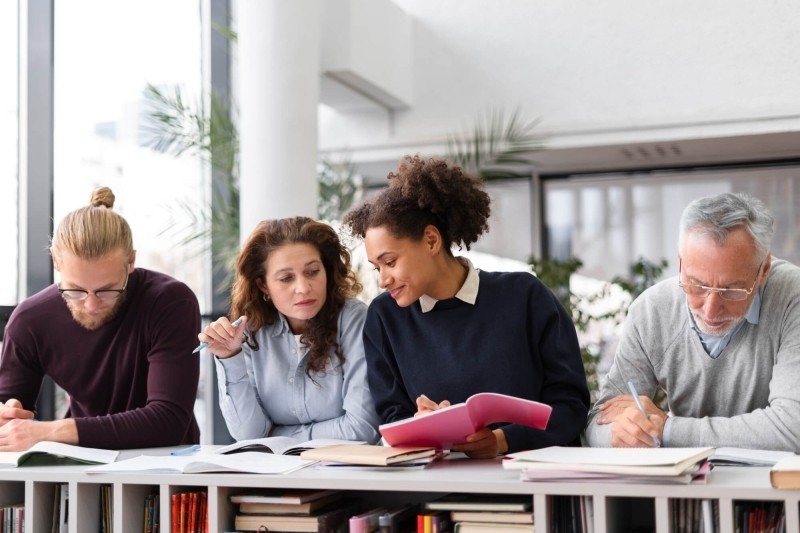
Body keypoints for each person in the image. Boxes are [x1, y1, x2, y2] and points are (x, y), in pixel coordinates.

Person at [342, 155, 590, 459]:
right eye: (376, 267)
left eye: (390, 262)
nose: (383, 280)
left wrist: (502, 439)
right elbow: (391, 419)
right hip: (438, 487)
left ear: (432, 241)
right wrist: (420, 426)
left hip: (532, 480)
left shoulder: (525, 297)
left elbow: (571, 406)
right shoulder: (384, 318)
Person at [586, 192, 800, 451]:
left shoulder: (792, 297)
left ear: (763, 270)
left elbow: (792, 428)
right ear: (680, 263)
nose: (710, 310)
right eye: (697, 285)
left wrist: (667, 429)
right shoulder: (651, 310)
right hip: (684, 483)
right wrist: (621, 433)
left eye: (731, 290)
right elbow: (599, 423)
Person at [0, 187, 201, 450]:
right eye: (75, 290)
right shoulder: (30, 320)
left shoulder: (170, 302)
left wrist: (48, 431)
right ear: (56, 263)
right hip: (81, 467)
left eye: (107, 290)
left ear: (131, 262)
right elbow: (9, 420)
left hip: (167, 470)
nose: (91, 304)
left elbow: (167, 421)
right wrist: (8, 416)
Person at [198, 217, 380, 443]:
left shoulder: (354, 318)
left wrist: (278, 436)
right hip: (276, 475)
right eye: (286, 278)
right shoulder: (250, 331)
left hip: (343, 472)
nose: (303, 288)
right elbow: (248, 435)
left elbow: (362, 429)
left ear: (327, 270)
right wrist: (229, 357)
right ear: (263, 285)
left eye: (313, 271)